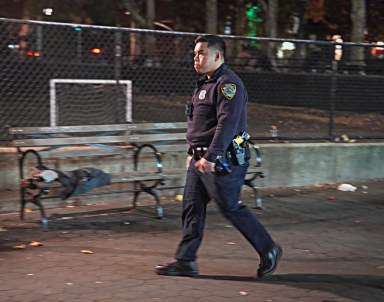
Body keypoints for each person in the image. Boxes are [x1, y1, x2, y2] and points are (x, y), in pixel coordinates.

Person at [155, 35, 282, 278]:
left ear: (216, 56)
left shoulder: (228, 84)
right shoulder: (205, 83)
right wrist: (192, 153)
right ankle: (186, 261)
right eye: (195, 54)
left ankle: (269, 249)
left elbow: (227, 125)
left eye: (201, 53)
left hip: (224, 160)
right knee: (192, 207)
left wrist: (211, 156)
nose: (196, 58)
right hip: (200, 160)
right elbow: (201, 125)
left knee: (230, 208)